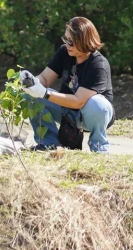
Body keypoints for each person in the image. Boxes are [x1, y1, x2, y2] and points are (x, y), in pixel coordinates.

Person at [20, 17, 114, 153]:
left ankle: (99, 147)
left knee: (96, 104)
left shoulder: (98, 65)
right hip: (68, 110)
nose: (67, 44)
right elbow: (45, 78)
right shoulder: (64, 52)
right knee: (30, 95)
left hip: (92, 115)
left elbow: (79, 102)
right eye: (66, 39)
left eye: (71, 41)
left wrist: (45, 93)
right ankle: (48, 144)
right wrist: (32, 82)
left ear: (84, 41)